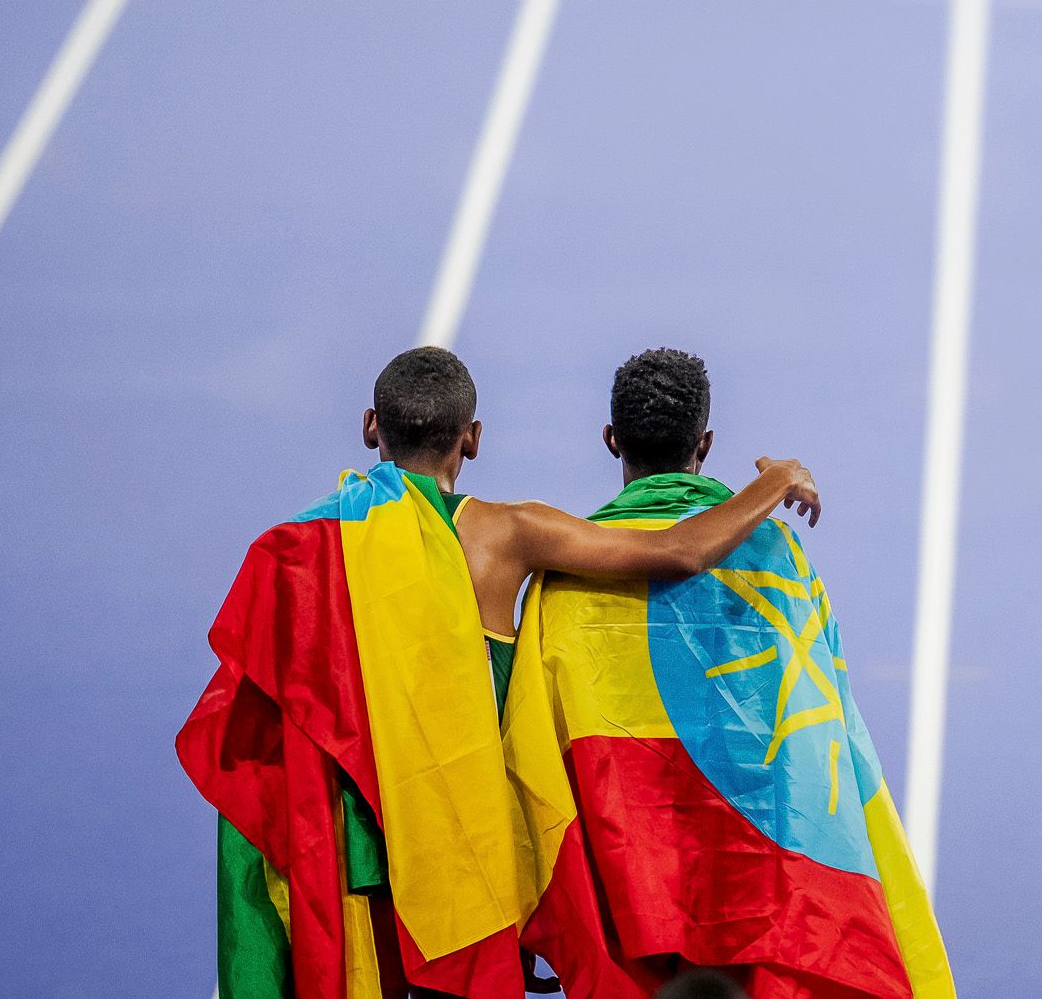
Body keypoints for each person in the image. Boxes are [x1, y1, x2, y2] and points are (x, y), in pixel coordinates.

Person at [178, 345, 819, 999]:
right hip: (463, 860)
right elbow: (679, 551)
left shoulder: (294, 548)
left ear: (372, 426)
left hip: (347, 857)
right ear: (472, 438)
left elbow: (258, 730)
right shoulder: (507, 534)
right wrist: (774, 482)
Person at [509, 349, 954, 999]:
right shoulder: (778, 556)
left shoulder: (566, 574)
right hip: (761, 876)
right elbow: (825, 721)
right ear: (706, 443)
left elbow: (530, 743)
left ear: (612, 439)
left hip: (628, 880)